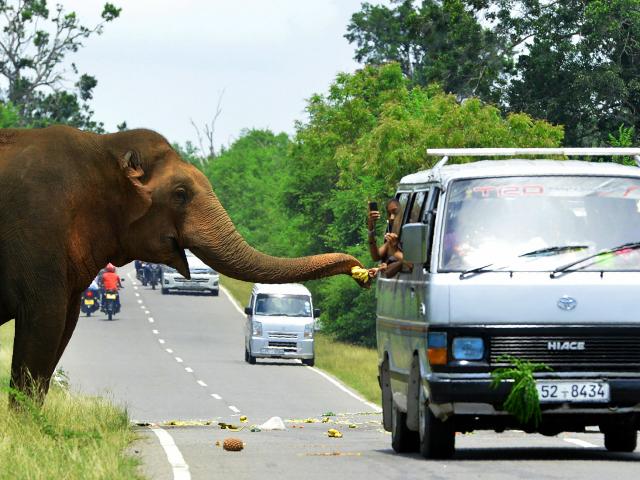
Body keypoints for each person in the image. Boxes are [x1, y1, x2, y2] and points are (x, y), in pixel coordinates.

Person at [367, 199, 404, 278]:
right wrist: (371, 228)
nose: (391, 217)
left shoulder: (413, 232)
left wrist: (395, 252)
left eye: (395, 212)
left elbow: (411, 263)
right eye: (389, 213)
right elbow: (376, 256)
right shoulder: (393, 237)